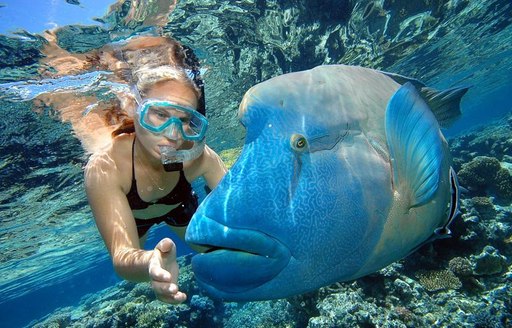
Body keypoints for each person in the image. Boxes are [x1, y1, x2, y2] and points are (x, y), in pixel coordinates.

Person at [84, 36, 226, 304]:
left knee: (210, 248)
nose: (172, 135)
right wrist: (151, 263)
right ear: (131, 105)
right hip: (136, 218)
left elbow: (240, 206)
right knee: (138, 264)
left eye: (185, 120)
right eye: (159, 115)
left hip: (178, 204)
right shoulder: (107, 167)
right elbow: (123, 257)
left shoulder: (197, 157)